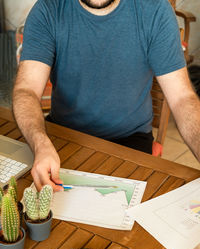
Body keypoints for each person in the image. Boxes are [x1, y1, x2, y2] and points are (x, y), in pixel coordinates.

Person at [13, 0, 200, 192]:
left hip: (130, 141)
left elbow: (182, 98)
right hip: (62, 135)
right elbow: (26, 90)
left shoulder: (155, 10)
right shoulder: (48, 9)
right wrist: (39, 142)